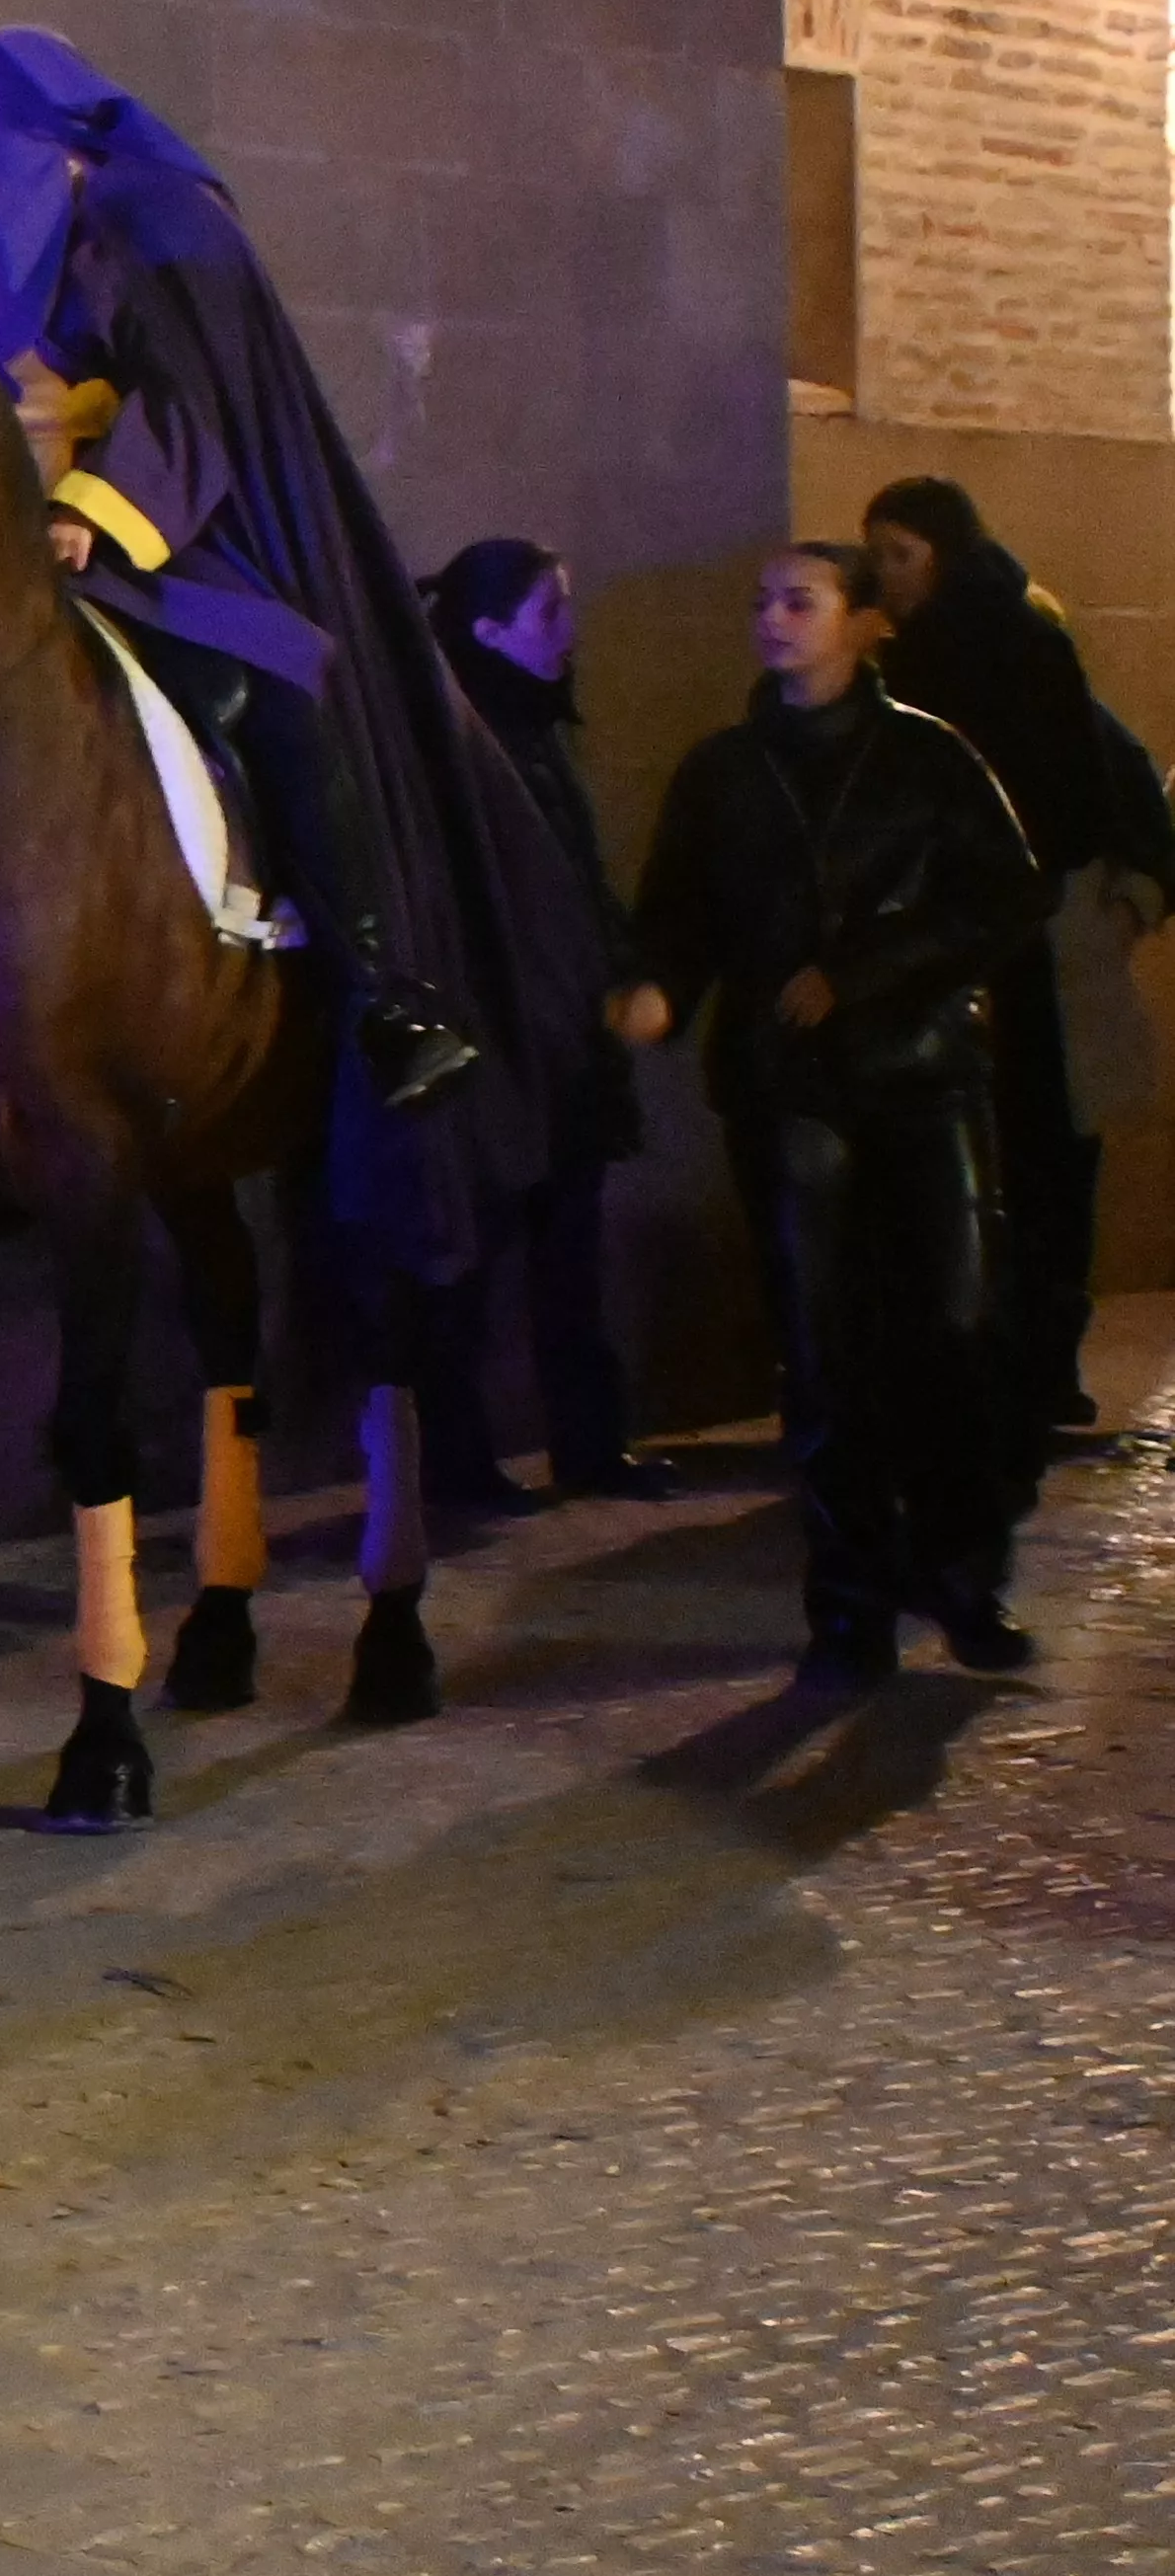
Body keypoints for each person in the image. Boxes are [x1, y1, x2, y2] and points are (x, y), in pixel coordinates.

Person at [0, 32, 597, 1134]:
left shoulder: (158, 215)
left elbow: (192, 400)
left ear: (54, 134)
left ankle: (389, 989)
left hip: (202, 525)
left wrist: (87, 512)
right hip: (55, 524)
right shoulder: (40, 237)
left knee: (280, 677)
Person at [621, 542, 1050, 1682]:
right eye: (761, 599)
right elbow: (679, 907)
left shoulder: (928, 757)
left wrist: (861, 972)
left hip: (922, 1076)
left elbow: (1004, 894)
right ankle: (849, 1601)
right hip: (792, 1089)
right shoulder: (724, 770)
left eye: (799, 601)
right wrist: (659, 982)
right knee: (822, 1353)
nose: (772, 619)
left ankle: (963, 1576)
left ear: (863, 623)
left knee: (952, 1330)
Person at [416, 539, 672, 1507]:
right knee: (474, 1267)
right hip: (501, 1045)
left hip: (563, 1038)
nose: (569, 631)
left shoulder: (537, 732)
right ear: (488, 630)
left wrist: (623, 971)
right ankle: (462, 1463)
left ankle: (589, 1443)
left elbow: (579, 882)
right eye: (549, 611)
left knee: (569, 1254)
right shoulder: (459, 747)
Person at [866, 477, 1118, 1426]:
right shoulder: (907, 658)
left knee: (1025, 1152)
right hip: (951, 951)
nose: (887, 576)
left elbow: (1082, 796)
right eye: (877, 557)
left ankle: (1029, 1362)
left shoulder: (1007, 648)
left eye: (900, 555)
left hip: (1004, 948)